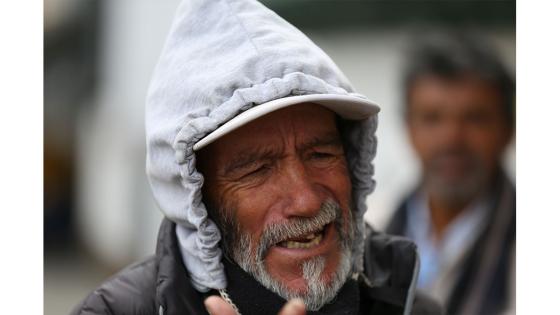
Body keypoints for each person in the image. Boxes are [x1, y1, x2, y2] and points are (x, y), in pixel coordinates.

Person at [71, 1, 441, 314]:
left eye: (321, 154)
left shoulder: (411, 306)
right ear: (198, 202)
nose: (307, 200)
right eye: (257, 170)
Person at [385, 32, 515, 315]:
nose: (452, 139)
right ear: (408, 128)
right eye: (432, 118)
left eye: (475, 118)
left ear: (509, 130)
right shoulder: (370, 232)